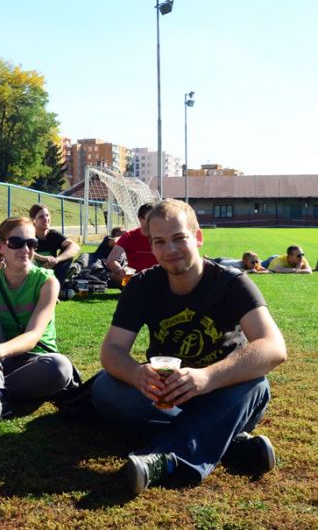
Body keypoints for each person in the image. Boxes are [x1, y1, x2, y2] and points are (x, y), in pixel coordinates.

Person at [92, 199, 287, 495]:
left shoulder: (233, 283)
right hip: (165, 397)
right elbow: (112, 351)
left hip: (222, 394)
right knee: (105, 387)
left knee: (256, 386)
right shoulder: (142, 285)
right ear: (152, 246)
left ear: (197, 237)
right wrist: (136, 374)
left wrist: (207, 377)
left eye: (179, 238)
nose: (170, 250)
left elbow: (273, 347)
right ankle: (228, 443)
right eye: (159, 242)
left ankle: (168, 459)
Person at [0, 216, 79, 423]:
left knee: (60, 368)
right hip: (1, 362)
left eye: (31, 243)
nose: (25, 249)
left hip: (35, 361)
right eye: (16, 243)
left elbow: (33, 335)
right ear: (1, 247)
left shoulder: (47, 281)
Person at [106, 202, 158, 284]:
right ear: (141, 219)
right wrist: (120, 270)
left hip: (159, 277)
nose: (155, 220)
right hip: (136, 278)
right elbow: (111, 260)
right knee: (113, 275)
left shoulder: (164, 235)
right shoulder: (129, 236)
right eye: (151, 217)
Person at [29, 204, 81, 284]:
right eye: (41, 217)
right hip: (31, 272)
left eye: (47, 215)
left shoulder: (53, 234)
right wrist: (43, 258)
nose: (46, 219)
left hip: (51, 271)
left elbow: (75, 247)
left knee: (67, 252)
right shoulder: (28, 235)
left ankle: (58, 285)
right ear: (33, 220)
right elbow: (21, 251)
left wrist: (56, 260)